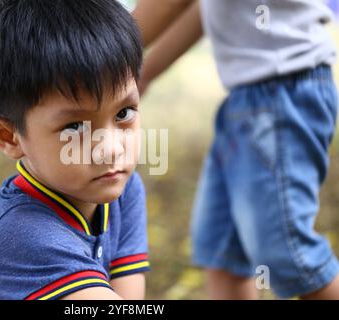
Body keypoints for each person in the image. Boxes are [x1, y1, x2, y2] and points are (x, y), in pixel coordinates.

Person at [0, 0, 150, 300]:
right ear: (9, 136)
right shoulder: (22, 237)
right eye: (75, 128)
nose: (110, 150)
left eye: (124, 113)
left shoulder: (122, 190)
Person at [134, 0, 339, 299]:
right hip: (247, 100)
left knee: (288, 254)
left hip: (282, 91)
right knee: (222, 253)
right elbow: (201, 9)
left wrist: (103, 46)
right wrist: (145, 72)